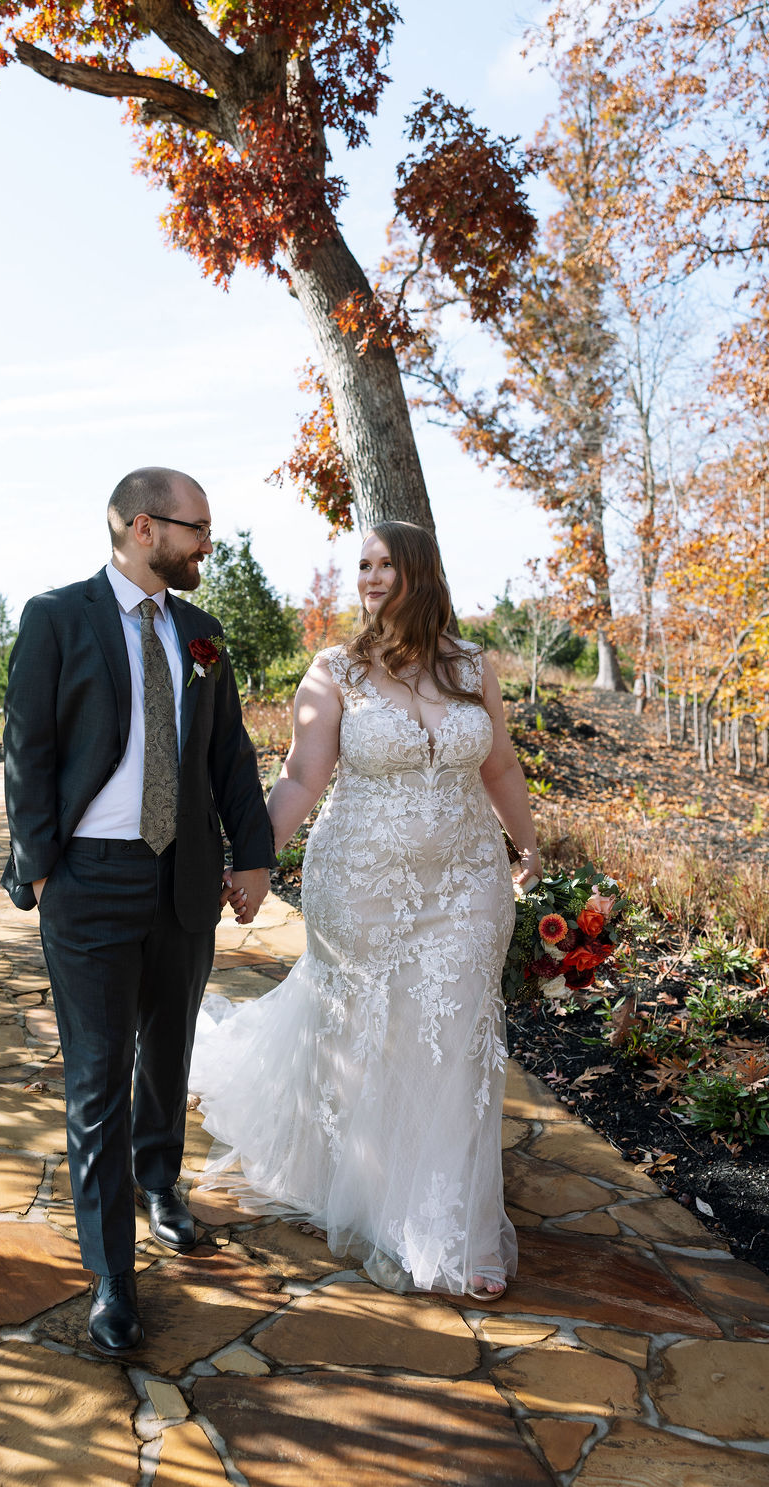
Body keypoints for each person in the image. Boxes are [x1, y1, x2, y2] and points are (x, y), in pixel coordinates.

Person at [193, 521, 542, 1300]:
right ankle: (378, 1200)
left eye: (386, 564)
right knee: (375, 1036)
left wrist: (527, 846)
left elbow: (501, 764)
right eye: (363, 565)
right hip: (362, 883)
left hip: (466, 881)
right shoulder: (335, 670)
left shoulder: (470, 666)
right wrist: (253, 860)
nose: (371, 577)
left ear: (422, 572)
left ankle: (452, 1226)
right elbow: (300, 779)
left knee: (454, 1034)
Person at [1, 467, 276, 1354]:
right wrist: (43, 871)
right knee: (96, 1079)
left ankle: (161, 1183)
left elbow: (228, 752)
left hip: (185, 879)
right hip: (88, 882)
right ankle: (114, 1276)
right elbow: (27, 751)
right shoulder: (56, 618)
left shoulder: (202, 633)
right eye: (197, 528)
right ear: (143, 528)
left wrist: (256, 854)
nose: (208, 545)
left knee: (169, 1050)